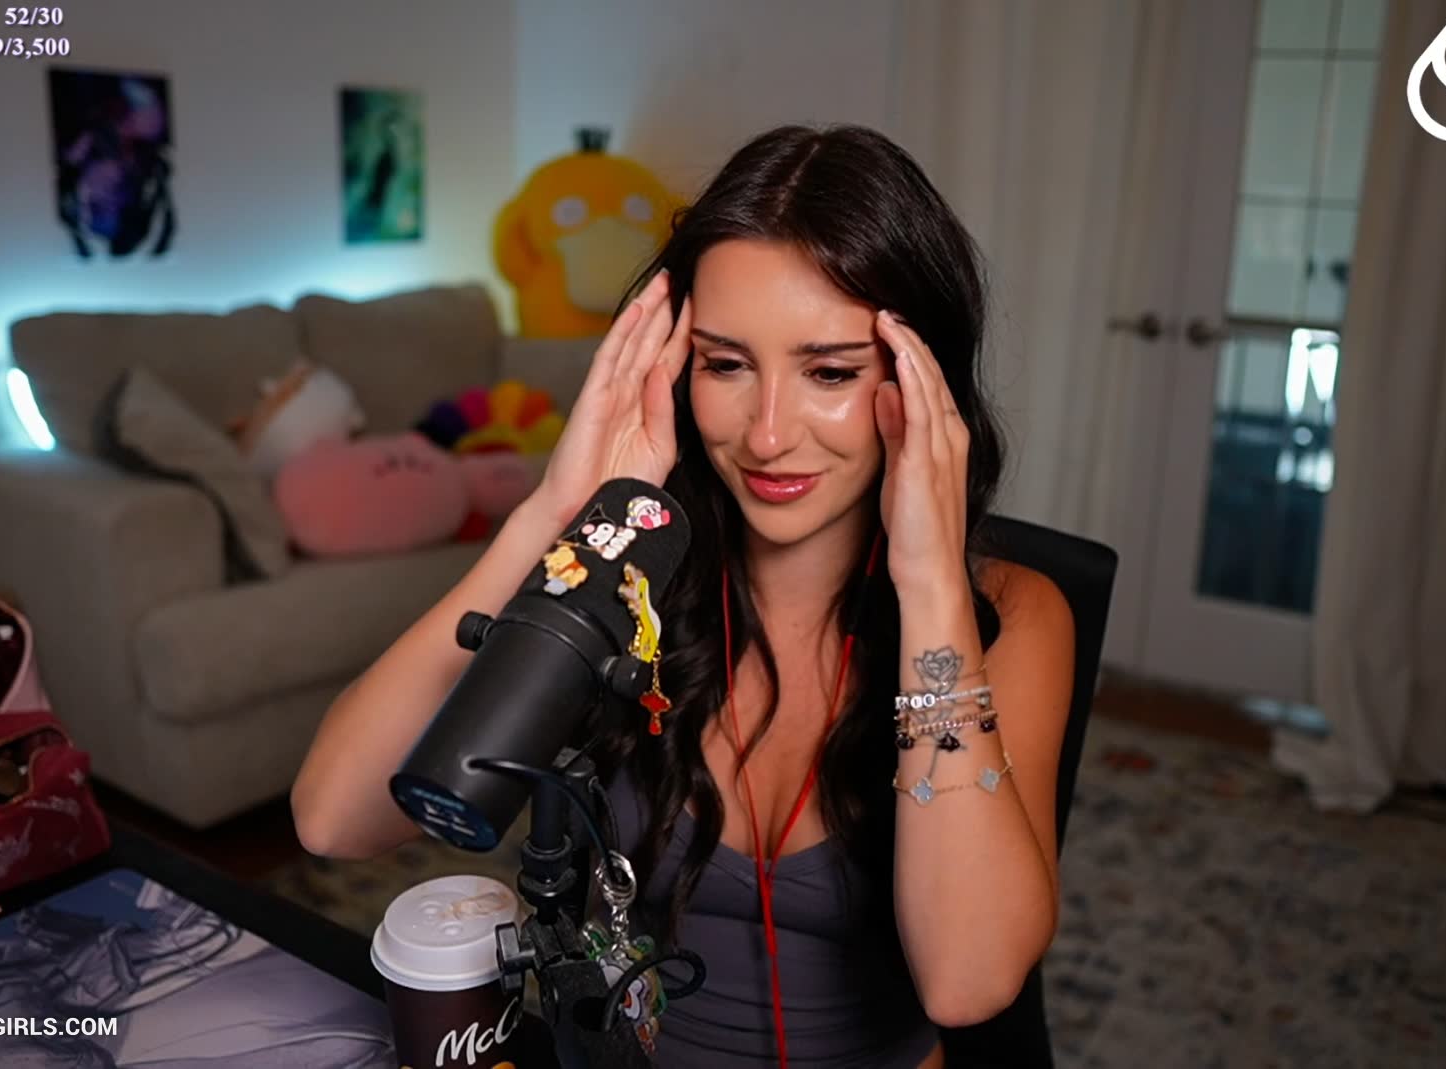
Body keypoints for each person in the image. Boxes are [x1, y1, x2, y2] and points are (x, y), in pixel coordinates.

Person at [293, 123, 1074, 1069]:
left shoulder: (1010, 615)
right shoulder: (631, 583)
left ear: (924, 385)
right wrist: (560, 516)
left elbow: (969, 981)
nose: (768, 434)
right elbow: (334, 818)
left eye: (830, 371)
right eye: (726, 364)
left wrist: (931, 584)